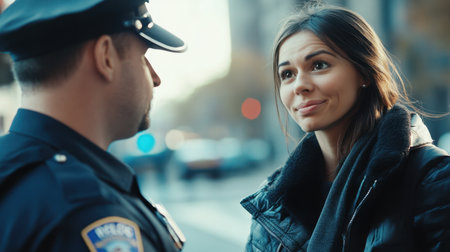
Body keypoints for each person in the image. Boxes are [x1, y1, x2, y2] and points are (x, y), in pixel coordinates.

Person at [240, 4, 450, 252]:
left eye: (319, 65)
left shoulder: (432, 180)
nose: (299, 85)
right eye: (287, 74)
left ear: (365, 72)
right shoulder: (275, 202)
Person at [0, 0, 187, 251]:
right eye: (144, 57)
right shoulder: (91, 214)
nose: (155, 78)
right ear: (105, 56)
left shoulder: (12, 173)